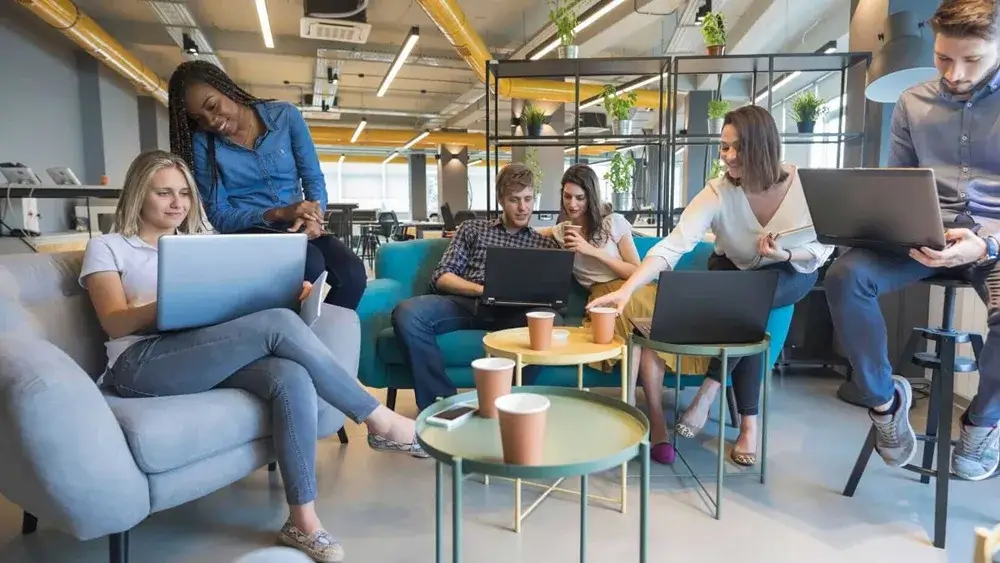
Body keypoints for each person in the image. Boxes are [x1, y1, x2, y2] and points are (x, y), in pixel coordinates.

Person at [80, 150, 422, 563]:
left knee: (289, 375)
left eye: (185, 193)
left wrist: (281, 294)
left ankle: (302, 521)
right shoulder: (109, 247)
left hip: (202, 349)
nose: (177, 203)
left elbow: (228, 308)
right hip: (141, 363)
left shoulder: (201, 245)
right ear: (138, 194)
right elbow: (115, 323)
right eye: (164, 193)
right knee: (276, 323)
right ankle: (379, 420)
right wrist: (174, 299)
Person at [588, 105, 832, 467]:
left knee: (752, 301)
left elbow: (824, 245)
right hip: (732, 269)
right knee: (749, 312)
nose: (728, 156)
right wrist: (627, 289)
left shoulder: (805, 187)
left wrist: (786, 254)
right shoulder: (718, 191)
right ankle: (747, 424)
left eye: (737, 148)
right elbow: (674, 245)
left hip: (791, 270)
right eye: (724, 147)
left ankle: (709, 391)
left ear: (762, 147)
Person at [825, 0, 1000, 481]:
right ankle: (886, 403)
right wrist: (892, 223)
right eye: (944, 58)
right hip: (923, 236)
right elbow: (895, 184)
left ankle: (983, 421)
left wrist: (986, 243)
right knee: (845, 275)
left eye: (972, 60)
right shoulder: (913, 102)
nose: (955, 73)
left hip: (993, 245)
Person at [542, 164, 709, 464]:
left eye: (579, 197)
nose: (572, 204)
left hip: (634, 290)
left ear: (591, 196)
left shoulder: (614, 223)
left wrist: (590, 251)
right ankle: (651, 420)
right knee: (637, 337)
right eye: (567, 197)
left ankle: (634, 408)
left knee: (642, 331)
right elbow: (528, 231)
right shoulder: (561, 231)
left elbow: (635, 269)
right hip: (602, 297)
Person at [167, 60, 367, 310]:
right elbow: (219, 214)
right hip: (251, 231)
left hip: (298, 228)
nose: (211, 121)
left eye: (212, 106)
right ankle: (289, 340)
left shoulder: (285, 116)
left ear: (226, 88)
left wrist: (315, 217)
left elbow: (313, 177)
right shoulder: (203, 144)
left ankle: (318, 338)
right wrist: (279, 213)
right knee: (310, 264)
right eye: (199, 118)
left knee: (352, 273)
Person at [391, 163, 563, 410]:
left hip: (513, 313)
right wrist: (483, 290)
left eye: (528, 199)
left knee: (552, 321)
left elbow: (550, 298)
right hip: (465, 303)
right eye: (514, 200)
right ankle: (442, 404)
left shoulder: (542, 244)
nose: (523, 207)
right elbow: (442, 276)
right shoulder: (473, 229)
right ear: (501, 200)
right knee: (407, 313)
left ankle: (506, 400)